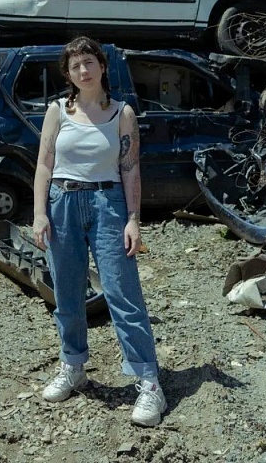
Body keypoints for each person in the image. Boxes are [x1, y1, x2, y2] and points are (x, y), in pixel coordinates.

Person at [32, 36, 166, 427]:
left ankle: (148, 382)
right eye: (75, 66)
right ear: (68, 74)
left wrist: (133, 219)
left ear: (102, 66)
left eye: (89, 62)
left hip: (109, 205)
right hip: (63, 204)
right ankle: (73, 365)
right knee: (67, 292)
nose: (83, 71)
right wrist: (39, 214)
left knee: (123, 293)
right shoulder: (57, 111)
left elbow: (130, 169)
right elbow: (44, 165)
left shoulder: (122, 113)